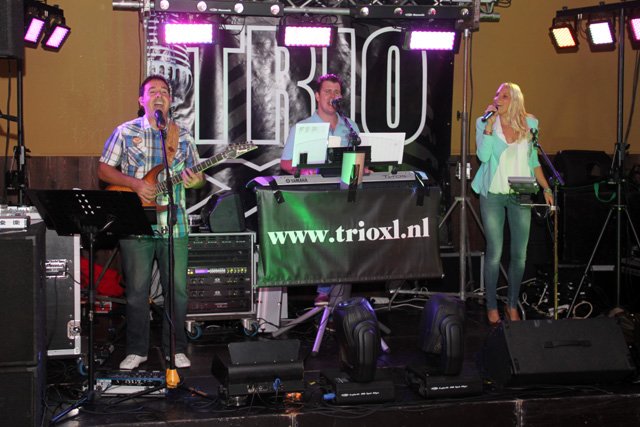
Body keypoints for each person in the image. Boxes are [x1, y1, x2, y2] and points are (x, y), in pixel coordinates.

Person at [98, 74, 205, 370]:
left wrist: (195, 180)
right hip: (136, 222)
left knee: (177, 291)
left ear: (170, 101)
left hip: (174, 223)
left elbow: (199, 177)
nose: (159, 95)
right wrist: (135, 184)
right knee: (136, 291)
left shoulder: (183, 135)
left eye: (164, 91)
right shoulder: (125, 131)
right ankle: (136, 349)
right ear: (141, 100)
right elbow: (104, 170)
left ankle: (176, 348)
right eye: (152, 91)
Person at [471, 82, 553, 326]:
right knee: (495, 252)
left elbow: (534, 160)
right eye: (497, 94)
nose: (498, 99)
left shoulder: (531, 124)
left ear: (516, 99)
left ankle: (511, 304)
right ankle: (491, 306)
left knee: (519, 255)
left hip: (521, 191)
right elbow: (483, 157)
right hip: (494, 193)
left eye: (505, 96)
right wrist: (488, 128)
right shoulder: (484, 122)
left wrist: (546, 188)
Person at [280, 73, 359, 304]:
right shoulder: (303, 128)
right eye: (327, 91)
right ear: (317, 96)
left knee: (346, 243)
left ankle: (340, 299)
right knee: (326, 242)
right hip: (318, 198)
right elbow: (285, 163)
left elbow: (358, 159)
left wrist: (363, 168)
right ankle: (324, 290)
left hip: (346, 195)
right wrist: (303, 169)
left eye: (336, 92)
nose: (332, 96)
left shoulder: (350, 127)